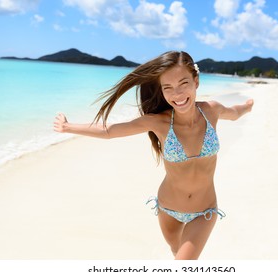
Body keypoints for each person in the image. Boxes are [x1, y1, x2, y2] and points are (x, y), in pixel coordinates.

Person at [54, 51, 254, 260]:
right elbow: (111, 131)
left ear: (196, 81)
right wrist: (68, 127)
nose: (176, 94)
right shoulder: (158, 122)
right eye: (167, 88)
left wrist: (248, 107)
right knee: (177, 255)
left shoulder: (211, 110)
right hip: (168, 209)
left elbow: (234, 112)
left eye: (183, 83)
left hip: (204, 211)